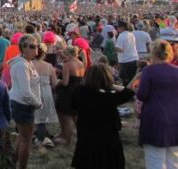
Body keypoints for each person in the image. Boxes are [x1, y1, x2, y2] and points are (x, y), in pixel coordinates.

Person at [71, 64, 135, 169]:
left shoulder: (79, 92)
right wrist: (111, 85)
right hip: (107, 137)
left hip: (86, 134)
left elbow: (73, 106)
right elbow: (129, 93)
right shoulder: (106, 98)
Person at [137, 40, 178, 169]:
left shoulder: (149, 71)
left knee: (155, 162)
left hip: (155, 119)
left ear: (153, 53)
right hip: (175, 120)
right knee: (174, 161)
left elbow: (141, 95)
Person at [9, 34, 41, 169]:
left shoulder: (26, 62)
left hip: (22, 103)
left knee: (22, 137)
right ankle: (21, 166)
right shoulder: (22, 66)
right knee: (26, 140)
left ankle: (12, 162)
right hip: (23, 104)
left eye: (37, 46)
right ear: (23, 48)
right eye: (32, 47)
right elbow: (25, 92)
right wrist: (37, 103)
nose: (36, 50)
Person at [54, 46, 85, 146]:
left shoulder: (67, 65)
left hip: (67, 93)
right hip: (77, 92)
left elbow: (65, 82)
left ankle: (67, 140)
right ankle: (65, 134)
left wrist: (58, 81)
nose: (63, 57)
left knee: (65, 117)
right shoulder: (81, 63)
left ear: (69, 54)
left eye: (65, 55)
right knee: (75, 116)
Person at [32, 43, 58, 149]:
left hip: (32, 92)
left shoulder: (29, 64)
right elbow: (55, 83)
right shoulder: (49, 66)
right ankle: (40, 140)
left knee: (31, 117)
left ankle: (33, 137)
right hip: (45, 92)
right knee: (42, 120)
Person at [115, 20, 138, 86]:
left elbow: (120, 49)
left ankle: (127, 95)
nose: (117, 28)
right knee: (132, 80)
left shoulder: (121, 35)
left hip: (125, 61)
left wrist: (114, 47)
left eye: (118, 27)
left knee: (125, 82)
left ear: (122, 27)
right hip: (133, 59)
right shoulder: (131, 34)